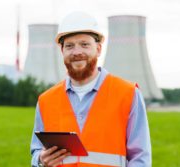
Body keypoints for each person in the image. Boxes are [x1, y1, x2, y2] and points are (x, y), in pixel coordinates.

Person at [30, 11, 152, 167]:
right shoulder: (46, 100)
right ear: (62, 51)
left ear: (99, 49)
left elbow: (140, 158)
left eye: (84, 44)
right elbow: (36, 152)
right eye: (69, 46)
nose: (77, 52)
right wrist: (40, 160)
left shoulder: (128, 94)